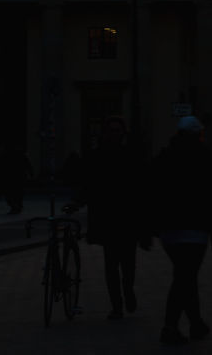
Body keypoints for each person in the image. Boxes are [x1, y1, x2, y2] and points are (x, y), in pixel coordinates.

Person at [152, 116, 212, 345]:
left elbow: (153, 190)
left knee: (185, 275)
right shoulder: (205, 156)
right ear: (198, 134)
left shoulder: (165, 156)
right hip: (195, 225)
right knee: (185, 276)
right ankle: (170, 326)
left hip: (169, 228)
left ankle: (196, 323)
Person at [78, 116, 146, 319]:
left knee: (128, 264)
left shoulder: (132, 156)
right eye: (112, 130)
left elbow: (141, 188)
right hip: (108, 219)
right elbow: (89, 185)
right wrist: (79, 201)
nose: (115, 134)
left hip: (127, 219)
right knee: (111, 265)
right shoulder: (98, 157)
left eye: (118, 130)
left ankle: (128, 290)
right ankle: (116, 306)